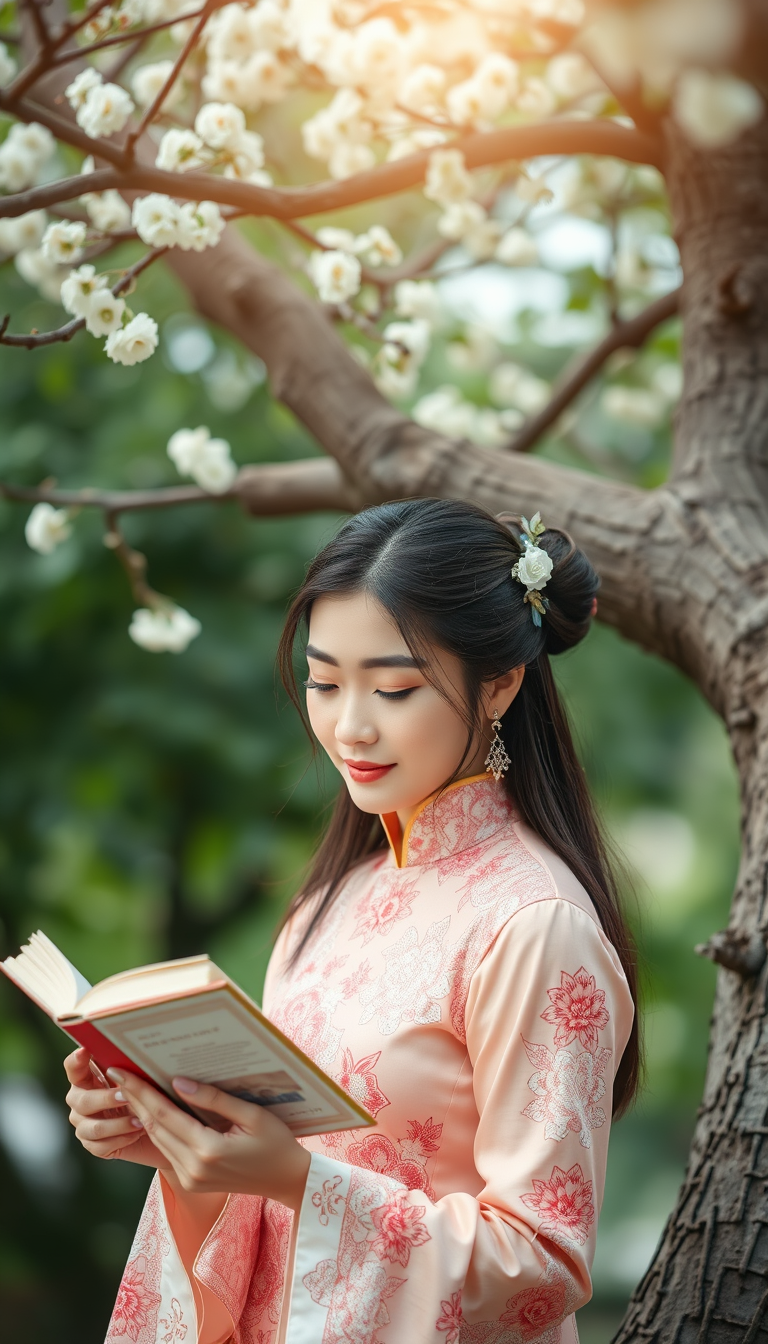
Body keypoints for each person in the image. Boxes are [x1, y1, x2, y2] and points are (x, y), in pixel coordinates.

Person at [64, 498, 639, 1344]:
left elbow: (542, 1264)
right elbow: (284, 1162)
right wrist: (176, 1136)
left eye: (395, 687)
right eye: (325, 681)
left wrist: (299, 1180)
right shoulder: (327, 903)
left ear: (502, 683)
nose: (349, 725)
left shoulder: (535, 924)